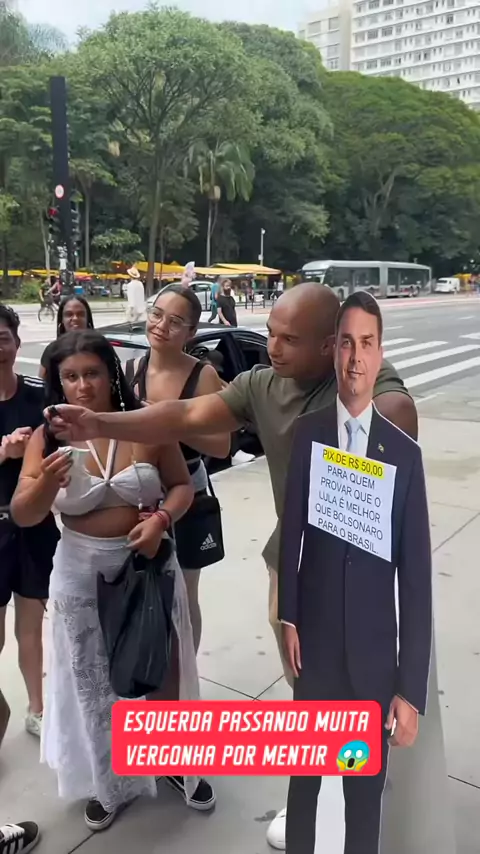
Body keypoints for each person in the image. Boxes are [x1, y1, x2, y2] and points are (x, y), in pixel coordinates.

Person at [42, 283, 417, 849]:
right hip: (292, 559)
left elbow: (397, 414)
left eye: (289, 339)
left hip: (358, 569)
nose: (273, 347)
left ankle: (352, 785)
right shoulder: (263, 384)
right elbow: (186, 413)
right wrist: (99, 425)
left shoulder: (366, 380)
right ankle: (334, 772)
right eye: (271, 334)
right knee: (307, 678)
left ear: (330, 345)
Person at [10, 330, 215, 831]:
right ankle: (109, 780)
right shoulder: (47, 439)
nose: (83, 386)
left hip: (146, 567)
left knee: (161, 668)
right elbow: (24, 513)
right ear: (58, 383)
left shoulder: (145, 423)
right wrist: (47, 482)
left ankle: (175, 762)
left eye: (92, 373)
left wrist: (161, 520)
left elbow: (182, 486)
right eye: (70, 376)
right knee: (95, 684)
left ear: (111, 375)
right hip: (80, 572)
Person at [278, 291, 432, 854]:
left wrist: (410, 689)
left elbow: (416, 581)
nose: (355, 357)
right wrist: (288, 615)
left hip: (372, 663)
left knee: (362, 797)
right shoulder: (309, 433)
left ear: (380, 353)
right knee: (304, 786)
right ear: (334, 350)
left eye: (367, 344)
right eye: (346, 343)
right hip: (315, 652)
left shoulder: (403, 456)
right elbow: (291, 531)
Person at [125, 285, 230, 652]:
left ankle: (186, 672)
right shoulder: (131, 369)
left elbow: (221, 445)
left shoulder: (202, 376)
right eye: (156, 314)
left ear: (191, 331)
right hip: (140, 493)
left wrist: (171, 420)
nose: (161, 326)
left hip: (187, 493)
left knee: (184, 594)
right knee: (143, 589)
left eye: (174, 321)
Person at [0, 305, 60, 738]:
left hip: (35, 527)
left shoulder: (39, 399)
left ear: (17, 344)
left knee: (31, 628)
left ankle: (37, 708)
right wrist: (4, 451)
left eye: (3, 338)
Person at [39, 294, 94, 379]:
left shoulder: (101, 348)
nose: (75, 318)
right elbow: (41, 383)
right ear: (62, 320)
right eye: (69, 314)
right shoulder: (52, 351)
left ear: (88, 319)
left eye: (80, 314)